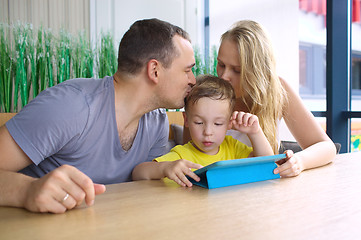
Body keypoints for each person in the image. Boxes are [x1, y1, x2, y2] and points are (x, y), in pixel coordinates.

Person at [0, 18, 196, 213]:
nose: (193, 80)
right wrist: (27, 190)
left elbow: (146, 186)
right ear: (154, 71)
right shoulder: (70, 106)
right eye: (187, 70)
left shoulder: (157, 121)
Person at [184, 20, 336, 178]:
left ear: (257, 71)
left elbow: (327, 147)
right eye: (221, 64)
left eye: (237, 70)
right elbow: (188, 152)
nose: (224, 76)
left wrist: (299, 162)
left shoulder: (277, 90)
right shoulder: (205, 96)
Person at [132, 75, 274, 187]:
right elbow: (138, 172)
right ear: (186, 120)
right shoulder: (182, 155)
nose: (208, 132)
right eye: (199, 122)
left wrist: (255, 133)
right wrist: (165, 168)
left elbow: (267, 164)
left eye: (218, 123)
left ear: (229, 123)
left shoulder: (232, 147)